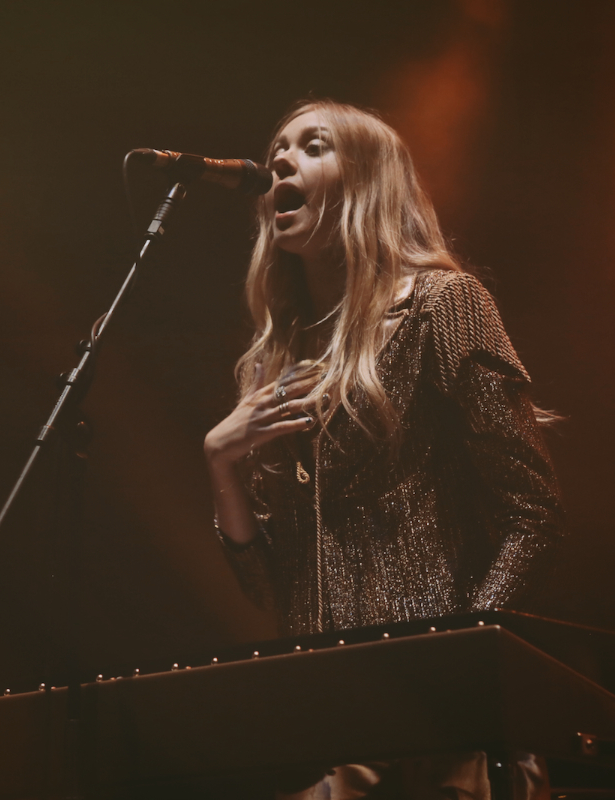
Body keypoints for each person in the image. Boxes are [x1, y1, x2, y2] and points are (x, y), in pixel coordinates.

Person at [203, 99, 563, 798]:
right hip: (334, 725)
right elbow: (268, 587)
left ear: (368, 179)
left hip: (448, 726)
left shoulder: (443, 304)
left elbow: (534, 514)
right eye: (278, 150)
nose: (281, 161)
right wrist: (221, 461)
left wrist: (459, 661)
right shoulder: (274, 365)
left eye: (313, 146)